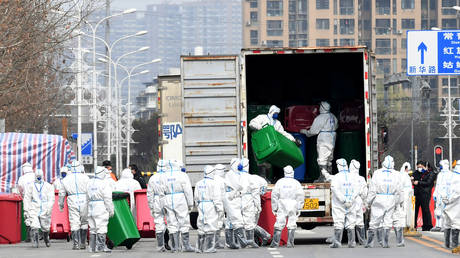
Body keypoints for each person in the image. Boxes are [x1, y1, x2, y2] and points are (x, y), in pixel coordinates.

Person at [365, 156, 401, 248]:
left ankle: (369, 243)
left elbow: (372, 189)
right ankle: (385, 243)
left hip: (379, 198)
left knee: (374, 221)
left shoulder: (377, 173)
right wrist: (397, 203)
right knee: (388, 221)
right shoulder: (396, 174)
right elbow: (398, 190)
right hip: (391, 199)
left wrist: (368, 202)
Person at [160, 160, 195, 252]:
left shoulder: (163, 176)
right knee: (184, 221)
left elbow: (160, 192)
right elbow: (188, 190)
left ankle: (175, 247)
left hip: (167, 199)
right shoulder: (182, 175)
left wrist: (161, 205)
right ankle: (186, 246)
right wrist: (190, 203)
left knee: (171, 222)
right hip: (180, 199)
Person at [300, 101, 338, 182]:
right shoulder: (332, 116)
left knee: (322, 159)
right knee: (329, 159)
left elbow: (313, 131)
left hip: (324, 139)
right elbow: (335, 125)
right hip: (332, 138)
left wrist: (304, 131)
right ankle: (329, 176)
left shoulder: (320, 117)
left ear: (322, 107)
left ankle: (323, 178)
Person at [59, 160, 90, 250]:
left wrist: (61, 205)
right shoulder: (86, 178)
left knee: (74, 221)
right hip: (84, 199)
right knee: (84, 222)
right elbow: (90, 190)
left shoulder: (65, 180)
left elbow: (61, 194)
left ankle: (76, 244)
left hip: (72, 199)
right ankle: (83, 243)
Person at [271, 165, 304, 248]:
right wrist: (299, 206)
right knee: (292, 223)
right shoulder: (296, 183)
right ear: (293, 172)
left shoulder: (280, 182)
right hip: (293, 204)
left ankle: (275, 243)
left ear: (284, 172)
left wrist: (274, 207)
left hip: (282, 203)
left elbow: (274, 195)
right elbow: (300, 195)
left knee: (279, 223)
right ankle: (290, 243)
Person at [329, 159, 359, 248]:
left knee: (339, 221)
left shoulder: (336, 177)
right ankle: (352, 243)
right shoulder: (353, 177)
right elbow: (357, 189)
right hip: (351, 203)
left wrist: (343, 200)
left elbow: (335, 190)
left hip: (339, 204)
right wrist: (350, 199)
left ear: (339, 166)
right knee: (351, 222)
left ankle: (337, 242)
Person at [194, 165, 224, 253]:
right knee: (211, 225)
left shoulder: (198, 183)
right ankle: (209, 248)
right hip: (211, 206)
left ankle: (199, 247)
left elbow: (196, 197)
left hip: (201, 205)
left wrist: (199, 205)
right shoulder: (214, 184)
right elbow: (217, 198)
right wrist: (220, 210)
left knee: (201, 225)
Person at [23, 169, 54, 248]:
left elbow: (51, 198)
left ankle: (46, 238)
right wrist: (26, 209)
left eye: (40, 176)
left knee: (45, 226)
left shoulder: (48, 186)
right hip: (34, 207)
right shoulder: (30, 186)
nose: (39, 178)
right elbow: (27, 198)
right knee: (34, 225)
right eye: (37, 176)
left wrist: (49, 208)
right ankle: (36, 242)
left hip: (45, 207)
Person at [86, 166, 114, 253]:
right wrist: (111, 210)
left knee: (93, 227)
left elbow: (86, 196)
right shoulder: (104, 183)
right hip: (100, 206)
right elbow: (108, 198)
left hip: (91, 206)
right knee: (101, 227)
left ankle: (92, 247)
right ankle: (101, 247)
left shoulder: (89, 182)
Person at [224, 158, 248, 249]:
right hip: (231, 199)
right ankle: (242, 241)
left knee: (231, 221)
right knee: (237, 219)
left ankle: (230, 243)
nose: (239, 166)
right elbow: (239, 186)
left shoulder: (237, 174)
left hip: (236, 198)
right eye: (238, 164)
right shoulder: (230, 174)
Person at [147, 160, 169, 252]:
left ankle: (160, 245)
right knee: (171, 222)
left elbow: (149, 194)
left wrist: (151, 206)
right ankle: (174, 245)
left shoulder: (153, 178)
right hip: (168, 200)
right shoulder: (169, 177)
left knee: (158, 222)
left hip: (156, 201)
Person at [391, 161, 414, 247]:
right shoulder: (403, 175)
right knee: (403, 213)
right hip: (404, 196)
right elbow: (404, 187)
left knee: (405, 212)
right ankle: (403, 227)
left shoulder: (404, 175)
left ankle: (405, 226)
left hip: (405, 195)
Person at [239, 158, 260, 248]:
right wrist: (258, 205)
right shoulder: (251, 178)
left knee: (239, 222)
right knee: (249, 221)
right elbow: (255, 193)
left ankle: (240, 242)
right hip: (248, 199)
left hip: (238, 200)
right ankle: (250, 242)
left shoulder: (236, 176)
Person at [412, 161, 436, 231]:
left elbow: (428, 182)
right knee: (415, 210)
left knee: (425, 210)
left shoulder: (431, 173)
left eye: (421, 167)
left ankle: (427, 226)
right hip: (417, 194)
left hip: (425, 194)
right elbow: (414, 178)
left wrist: (419, 182)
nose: (419, 168)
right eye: (418, 167)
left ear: (425, 166)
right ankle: (413, 225)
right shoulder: (417, 172)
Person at [350, 159, 368, 246]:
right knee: (360, 220)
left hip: (349, 200)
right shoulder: (361, 179)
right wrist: (365, 203)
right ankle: (362, 240)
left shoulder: (347, 177)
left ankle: (352, 241)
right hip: (359, 200)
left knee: (350, 221)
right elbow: (365, 193)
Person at [251, 173, 272, 246]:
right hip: (254, 204)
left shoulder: (251, 179)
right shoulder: (263, 182)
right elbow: (262, 193)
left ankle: (265, 236)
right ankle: (258, 239)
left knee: (250, 224)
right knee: (253, 224)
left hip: (251, 204)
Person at [17, 162, 36, 242]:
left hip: (27, 198)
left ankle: (29, 237)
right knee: (36, 214)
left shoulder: (22, 178)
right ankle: (37, 235)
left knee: (27, 215)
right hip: (36, 198)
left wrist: (23, 196)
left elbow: (20, 189)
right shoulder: (35, 176)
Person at [443, 162, 460, 249]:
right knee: (456, 223)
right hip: (456, 204)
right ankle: (454, 245)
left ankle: (447, 243)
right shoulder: (457, 177)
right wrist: (449, 199)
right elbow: (457, 192)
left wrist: (445, 199)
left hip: (448, 204)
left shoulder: (451, 176)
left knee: (448, 223)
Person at [432, 160, 451, 232]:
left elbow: (450, 186)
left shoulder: (450, 174)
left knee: (445, 212)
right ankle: (438, 225)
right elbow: (437, 185)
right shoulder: (440, 174)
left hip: (445, 196)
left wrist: (449, 195)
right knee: (438, 211)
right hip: (439, 196)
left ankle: (445, 226)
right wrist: (435, 194)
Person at [213, 164, 227, 249]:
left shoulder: (212, 179)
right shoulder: (222, 181)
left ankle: (211, 242)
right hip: (220, 204)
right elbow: (224, 195)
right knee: (219, 222)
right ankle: (216, 242)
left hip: (211, 204)